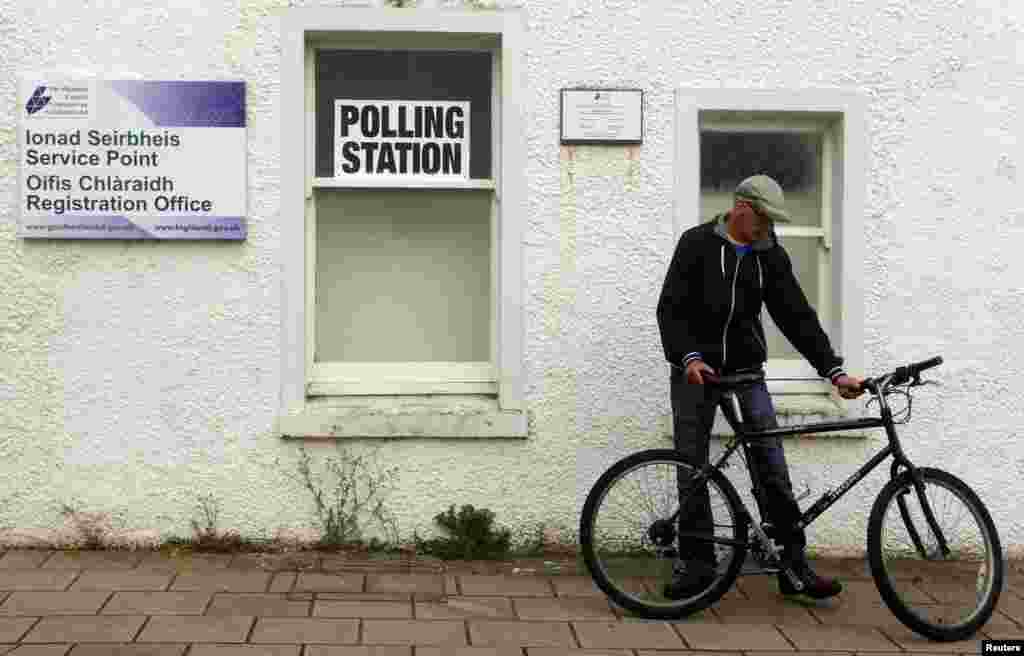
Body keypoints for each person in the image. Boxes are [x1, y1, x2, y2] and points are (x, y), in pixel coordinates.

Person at [656, 174, 865, 600]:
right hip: (696, 372)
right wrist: (689, 357)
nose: (770, 229)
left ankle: (792, 565)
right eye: (765, 220)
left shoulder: (769, 253)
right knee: (692, 468)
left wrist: (833, 371)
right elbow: (670, 309)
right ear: (743, 209)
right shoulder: (696, 244)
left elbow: (796, 315)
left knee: (772, 465)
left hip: (747, 372)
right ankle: (696, 566)